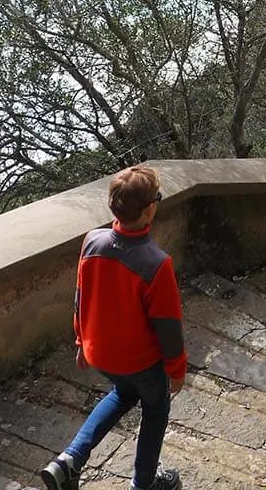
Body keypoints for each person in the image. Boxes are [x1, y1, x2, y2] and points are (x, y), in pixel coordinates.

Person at [40, 166, 187, 490]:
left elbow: (81, 295)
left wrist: (81, 339)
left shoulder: (92, 242)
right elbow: (168, 325)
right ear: (150, 209)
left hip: (100, 354)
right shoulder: (156, 263)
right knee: (155, 408)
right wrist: (176, 369)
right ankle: (144, 482)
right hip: (141, 362)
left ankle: (69, 460)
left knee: (123, 394)